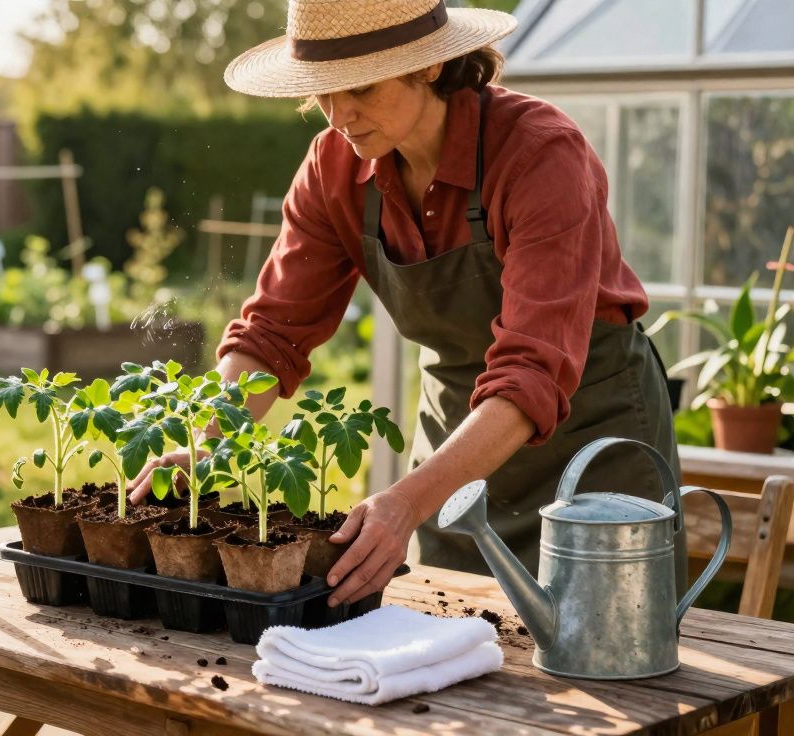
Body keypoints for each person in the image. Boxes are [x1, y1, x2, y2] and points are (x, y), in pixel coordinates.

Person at [126, 0, 683, 608]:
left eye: (360, 87)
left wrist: (408, 501)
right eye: (324, 93)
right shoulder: (333, 167)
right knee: (450, 653)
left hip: (590, 445)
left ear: (427, 67)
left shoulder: (539, 155)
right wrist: (210, 441)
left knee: (606, 659)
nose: (340, 116)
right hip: (456, 442)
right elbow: (270, 334)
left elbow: (531, 372)